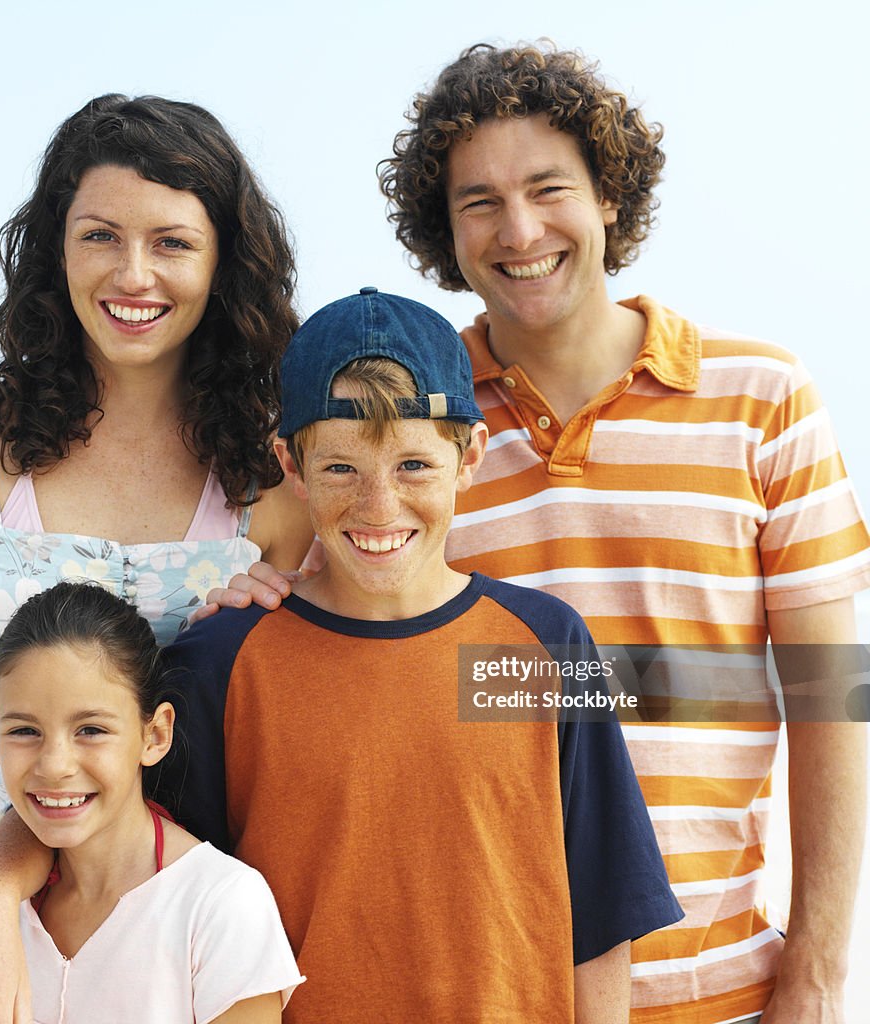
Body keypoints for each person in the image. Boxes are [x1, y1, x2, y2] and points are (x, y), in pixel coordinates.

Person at [211, 44, 870, 1024]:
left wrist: (815, 973)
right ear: (447, 229)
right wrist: (245, 584)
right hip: (497, 986)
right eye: (478, 201)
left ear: (608, 196)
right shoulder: (411, 423)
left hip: (726, 984)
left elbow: (830, 698)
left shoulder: (760, 400)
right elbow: (308, 601)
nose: (517, 230)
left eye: (546, 188)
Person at [0, 93, 311, 1020]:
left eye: (175, 243)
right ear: (54, 249)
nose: (134, 274)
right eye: (100, 236)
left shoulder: (275, 478)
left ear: (226, 260)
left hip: (177, 932)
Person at [159, 287, 683, 1023]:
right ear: (291, 466)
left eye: (413, 466)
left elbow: (601, 909)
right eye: (341, 468)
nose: (379, 506)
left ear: (468, 458)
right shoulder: (221, 661)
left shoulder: (539, 647)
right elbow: (169, 916)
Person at [0, 582, 303, 1023]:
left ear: (155, 735)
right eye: (24, 730)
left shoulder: (220, 905)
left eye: (91, 730)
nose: (55, 765)